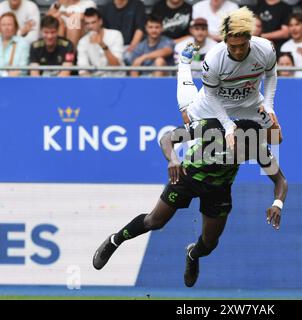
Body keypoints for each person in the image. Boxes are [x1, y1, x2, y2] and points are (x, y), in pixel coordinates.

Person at [92, 55, 288, 287]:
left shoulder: (256, 147)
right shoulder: (211, 127)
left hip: (219, 189)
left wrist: (277, 204)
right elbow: (167, 138)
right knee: (155, 221)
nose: (241, 147)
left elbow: (280, 181)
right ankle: (114, 241)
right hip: (187, 177)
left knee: (210, 242)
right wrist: (173, 159)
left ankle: (193, 255)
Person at [182, 7, 282, 150]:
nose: (238, 51)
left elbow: (271, 75)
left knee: (276, 139)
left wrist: (268, 106)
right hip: (217, 104)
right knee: (187, 117)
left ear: (249, 38)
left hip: (250, 103)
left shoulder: (265, 48)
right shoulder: (213, 59)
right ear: (225, 40)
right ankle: (183, 64)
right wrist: (227, 124)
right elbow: (210, 95)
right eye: (233, 46)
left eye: (243, 45)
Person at [77, 7, 124, 77]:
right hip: (95, 81)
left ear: (100, 22)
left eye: (93, 22)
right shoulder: (83, 42)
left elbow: (116, 66)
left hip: (116, 79)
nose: (90, 26)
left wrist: (102, 44)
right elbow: (83, 70)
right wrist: (90, 84)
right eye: (87, 23)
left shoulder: (115, 35)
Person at [0, 12, 29, 77]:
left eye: (9, 24)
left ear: (15, 27)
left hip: (15, 82)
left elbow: (23, 69)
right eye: (3, 24)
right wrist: (5, 75)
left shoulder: (23, 44)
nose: (6, 27)